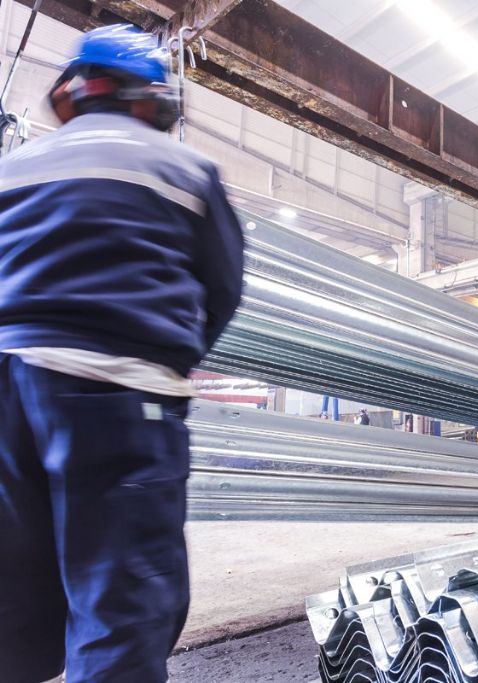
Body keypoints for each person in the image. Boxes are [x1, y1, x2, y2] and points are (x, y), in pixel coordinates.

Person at [0, 25, 244, 683]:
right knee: (122, 605)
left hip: (8, 395)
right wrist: (167, 356)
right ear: (152, 96)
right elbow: (221, 289)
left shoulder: (14, 167)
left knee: (14, 611)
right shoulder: (185, 171)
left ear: (74, 92)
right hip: (116, 397)